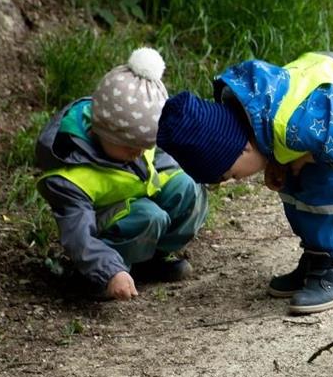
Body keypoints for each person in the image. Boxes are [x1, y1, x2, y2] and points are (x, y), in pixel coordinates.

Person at [156, 51, 333, 314]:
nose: (236, 180)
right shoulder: (258, 118)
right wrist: (281, 159)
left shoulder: (297, 123)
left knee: (319, 183)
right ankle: (317, 256)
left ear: (243, 149)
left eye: (231, 175)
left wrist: (308, 156)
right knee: (290, 179)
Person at [35, 48, 208, 301]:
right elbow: (79, 236)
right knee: (150, 216)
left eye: (146, 145)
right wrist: (109, 270)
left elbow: (165, 164)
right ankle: (99, 274)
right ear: (102, 130)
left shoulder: (134, 146)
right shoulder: (70, 175)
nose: (139, 153)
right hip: (104, 230)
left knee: (188, 186)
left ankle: (151, 260)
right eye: (130, 146)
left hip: (137, 203)